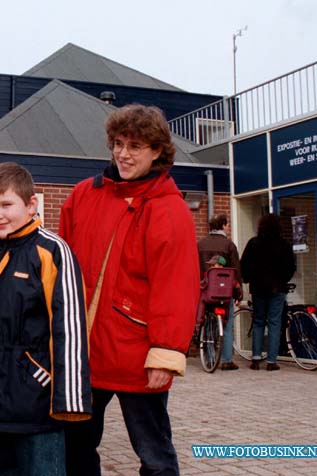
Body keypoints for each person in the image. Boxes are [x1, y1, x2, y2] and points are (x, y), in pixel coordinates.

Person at [58, 104, 200, 476]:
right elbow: (61, 271)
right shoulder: (82, 195)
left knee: (154, 455)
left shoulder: (169, 210)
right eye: (118, 143)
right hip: (84, 353)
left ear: (157, 151)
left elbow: (177, 287)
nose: (123, 153)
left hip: (139, 354)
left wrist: (166, 353)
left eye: (135, 146)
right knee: (75, 448)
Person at [0, 162, 92, 476]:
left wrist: (69, 401)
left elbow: (70, 328)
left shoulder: (52, 251)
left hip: (36, 405)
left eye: (7, 204)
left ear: (31, 204)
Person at [240, 213, 297, 371]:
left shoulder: (254, 243)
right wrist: (282, 279)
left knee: (258, 321)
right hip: (277, 288)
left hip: (258, 288)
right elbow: (291, 266)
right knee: (274, 323)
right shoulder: (283, 244)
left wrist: (249, 279)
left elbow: (244, 265)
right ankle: (272, 361)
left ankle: (256, 358)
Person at [197, 214, 242, 370]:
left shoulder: (200, 244)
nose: (228, 227)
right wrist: (238, 293)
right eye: (227, 224)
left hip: (205, 291)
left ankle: (209, 358)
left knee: (207, 321)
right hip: (225, 293)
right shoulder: (229, 245)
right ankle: (226, 360)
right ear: (223, 226)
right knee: (227, 325)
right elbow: (236, 271)